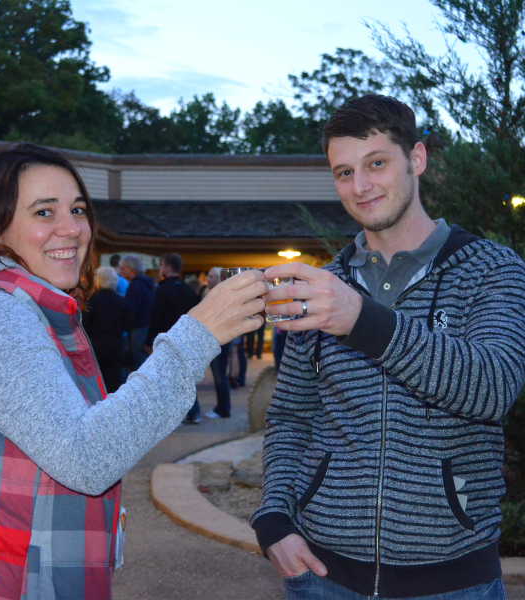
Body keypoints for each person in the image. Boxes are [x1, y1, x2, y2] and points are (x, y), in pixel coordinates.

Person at [0, 142, 268, 599]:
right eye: (44, 212)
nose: (72, 229)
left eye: (78, 209)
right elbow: (85, 457)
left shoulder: (13, 304)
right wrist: (195, 337)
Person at [250, 95, 525, 600]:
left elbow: (493, 387)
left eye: (376, 163)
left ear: (416, 160)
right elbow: (290, 415)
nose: (360, 187)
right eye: (343, 172)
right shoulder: (323, 286)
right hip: (323, 576)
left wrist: (360, 320)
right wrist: (273, 519)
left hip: (454, 581)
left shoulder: (492, 268)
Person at [145, 252, 203, 423]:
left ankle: (180, 413)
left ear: (168, 268)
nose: (160, 269)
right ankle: (193, 412)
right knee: (185, 378)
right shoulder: (188, 290)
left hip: (166, 340)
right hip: (186, 339)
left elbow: (155, 317)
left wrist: (149, 341)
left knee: (168, 378)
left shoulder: (162, 290)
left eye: (162, 265)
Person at [82, 266, 135, 393]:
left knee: (96, 381)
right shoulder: (122, 301)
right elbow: (130, 325)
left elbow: (84, 325)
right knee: (114, 381)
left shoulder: (90, 301)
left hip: (94, 346)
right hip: (115, 345)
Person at [204, 267, 231, 419]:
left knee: (220, 375)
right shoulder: (210, 294)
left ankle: (223, 408)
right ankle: (221, 407)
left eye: (212, 276)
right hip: (213, 338)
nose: (209, 279)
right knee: (218, 375)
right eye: (208, 276)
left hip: (220, 339)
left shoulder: (222, 296)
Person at [120, 254, 155, 370]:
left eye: (124, 268)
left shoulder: (135, 286)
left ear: (131, 269)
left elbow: (132, 310)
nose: (122, 271)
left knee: (138, 364)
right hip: (147, 327)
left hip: (138, 330)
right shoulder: (148, 284)